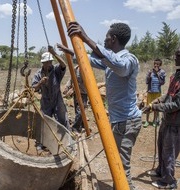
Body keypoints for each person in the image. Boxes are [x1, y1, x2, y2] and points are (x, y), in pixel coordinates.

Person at [68, 22, 142, 190]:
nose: (105, 39)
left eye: (107, 37)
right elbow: (89, 59)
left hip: (128, 122)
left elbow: (120, 68)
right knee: (117, 165)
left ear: (113, 39)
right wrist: (72, 52)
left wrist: (86, 38)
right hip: (120, 121)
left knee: (122, 170)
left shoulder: (129, 60)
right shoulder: (111, 62)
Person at [142, 47, 180, 189]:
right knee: (162, 147)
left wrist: (155, 107)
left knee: (169, 151)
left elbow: (176, 104)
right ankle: (161, 171)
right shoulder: (176, 75)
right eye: (175, 54)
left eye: (178, 55)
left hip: (176, 123)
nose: (175, 57)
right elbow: (170, 94)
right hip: (167, 120)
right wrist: (158, 100)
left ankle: (169, 181)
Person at [32, 45, 70, 130]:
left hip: (57, 99)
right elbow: (34, 88)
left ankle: (68, 139)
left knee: (63, 120)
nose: (49, 64)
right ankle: (42, 141)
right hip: (45, 101)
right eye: (46, 62)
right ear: (43, 63)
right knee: (44, 121)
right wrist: (40, 83)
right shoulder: (38, 74)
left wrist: (54, 53)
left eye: (50, 62)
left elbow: (64, 65)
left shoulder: (56, 70)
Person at [59, 44, 88, 133]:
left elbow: (86, 82)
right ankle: (82, 124)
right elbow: (71, 79)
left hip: (83, 93)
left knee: (80, 110)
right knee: (77, 110)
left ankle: (75, 127)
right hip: (76, 93)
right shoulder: (75, 69)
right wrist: (67, 87)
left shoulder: (86, 69)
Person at [143, 58, 166, 128]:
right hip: (150, 91)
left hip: (157, 92)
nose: (156, 65)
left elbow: (162, 83)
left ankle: (154, 121)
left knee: (156, 107)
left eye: (158, 64)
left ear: (160, 65)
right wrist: (149, 76)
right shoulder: (150, 72)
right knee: (148, 106)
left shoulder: (162, 72)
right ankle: (146, 121)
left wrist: (158, 74)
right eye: (155, 64)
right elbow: (147, 82)